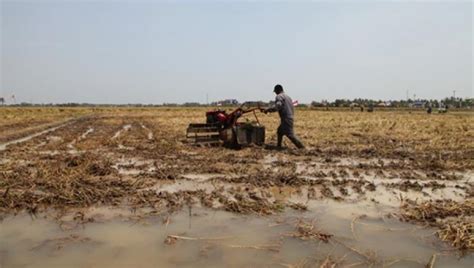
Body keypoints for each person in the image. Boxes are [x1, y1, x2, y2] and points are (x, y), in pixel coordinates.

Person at [264, 84, 305, 149]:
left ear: (278, 90)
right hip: (289, 117)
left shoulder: (279, 96)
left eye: (275, 92)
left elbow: (278, 106)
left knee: (290, 134)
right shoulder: (288, 97)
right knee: (279, 131)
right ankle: (279, 146)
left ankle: (302, 148)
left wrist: (268, 110)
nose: (275, 93)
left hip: (286, 118)